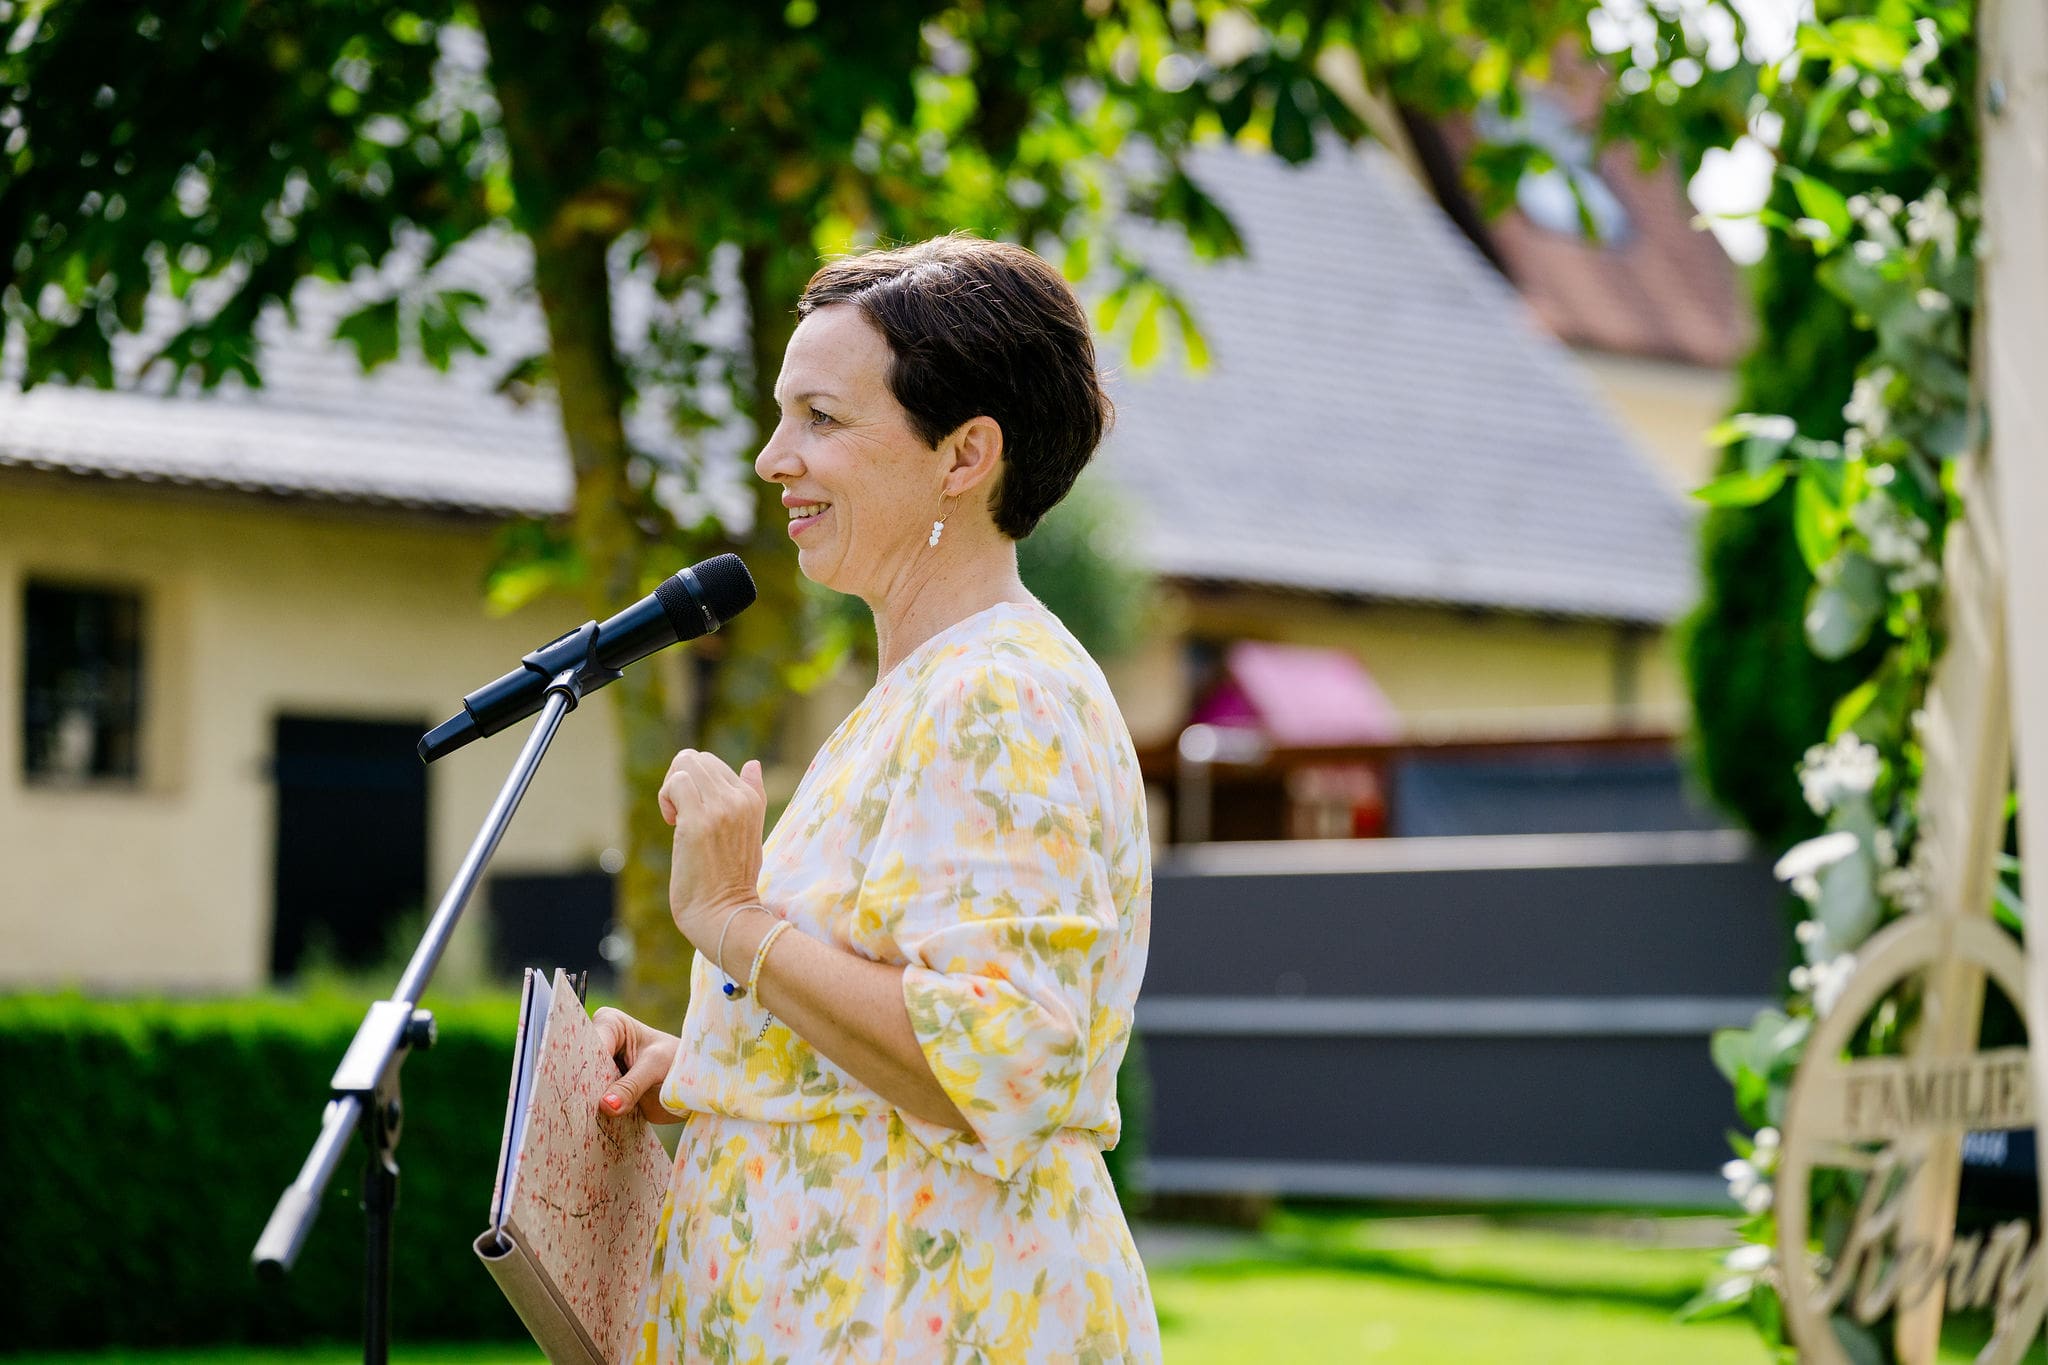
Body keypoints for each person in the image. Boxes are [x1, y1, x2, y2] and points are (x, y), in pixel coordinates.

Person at [594, 234, 1158, 1362]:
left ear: (964, 455)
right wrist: (712, 1070)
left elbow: (993, 1055)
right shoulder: (929, 691)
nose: (771, 459)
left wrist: (734, 923)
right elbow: (896, 1023)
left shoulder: (998, 697)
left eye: (821, 419)